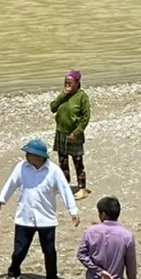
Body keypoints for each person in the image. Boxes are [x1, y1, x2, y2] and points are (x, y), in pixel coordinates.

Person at [0, 137, 80, 279]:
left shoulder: (53, 171)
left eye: (29, 153)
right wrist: (1, 202)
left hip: (46, 218)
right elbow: (11, 184)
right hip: (24, 217)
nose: (26, 156)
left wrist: (73, 211)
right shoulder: (21, 167)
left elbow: (65, 190)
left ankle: (52, 277)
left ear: (39, 156)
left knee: (49, 251)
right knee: (20, 250)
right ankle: (13, 272)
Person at [52, 69, 92, 198]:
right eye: (65, 83)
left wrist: (77, 133)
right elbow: (52, 108)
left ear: (77, 83)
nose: (67, 85)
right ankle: (65, 185)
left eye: (70, 83)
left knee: (78, 162)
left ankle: (82, 188)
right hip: (61, 133)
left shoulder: (82, 97)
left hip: (74, 134)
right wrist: (62, 95)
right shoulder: (63, 95)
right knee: (63, 162)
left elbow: (86, 117)